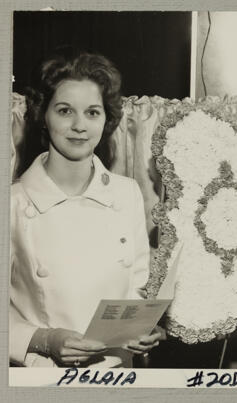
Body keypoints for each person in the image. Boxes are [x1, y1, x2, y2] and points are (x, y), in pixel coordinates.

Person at [10, 49, 163, 367]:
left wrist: (146, 330)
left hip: (117, 374)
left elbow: (139, 287)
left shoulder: (127, 194)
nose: (80, 126)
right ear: (43, 114)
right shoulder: (12, 204)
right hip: (44, 378)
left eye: (92, 112)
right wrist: (44, 340)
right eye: (65, 111)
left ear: (107, 119)